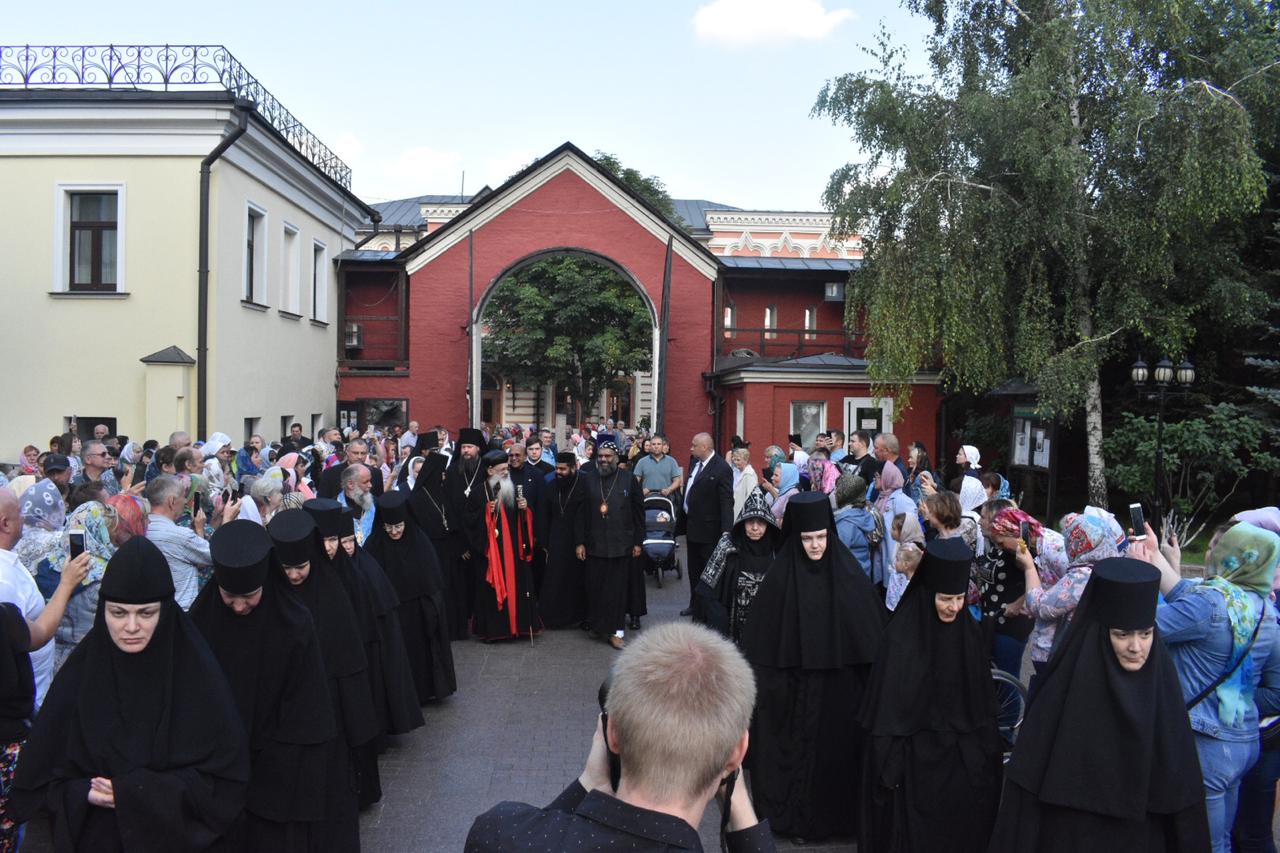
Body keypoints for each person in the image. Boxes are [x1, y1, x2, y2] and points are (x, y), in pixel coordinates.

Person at [11, 537, 249, 851]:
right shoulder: (81, 677)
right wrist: (82, 792)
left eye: (146, 613)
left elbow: (224, 783)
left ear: (165, 613)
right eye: (119, 613)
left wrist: (136, 793)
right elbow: (42, 778)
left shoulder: (198, 678)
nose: (131, 626)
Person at [465, 622, 774, 853]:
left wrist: (590, 782)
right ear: (737, 753)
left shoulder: (499, 832)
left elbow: (541, 833)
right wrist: (737, 798)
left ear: (611, 733)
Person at [988, 557, 1211, 853]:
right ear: (1100, 634)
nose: (1136, 647)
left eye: (1146, 634)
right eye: (1122, 634)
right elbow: (1024, 805)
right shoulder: (1061, 696)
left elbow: (1183, 804)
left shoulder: (1163, 691)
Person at [739, 492, 885, 843]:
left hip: (839, 699)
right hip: (792, 696)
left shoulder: (850, 578)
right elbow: (760, 652)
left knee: (836, 760)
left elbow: (871, 643)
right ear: (796, 538)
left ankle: (839, 822)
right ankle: (793, 822)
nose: (816, 546)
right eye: (807, 539)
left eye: (821, 537)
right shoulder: (777, 582)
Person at [189, 520, 338, 852]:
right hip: (217, 768)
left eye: (250, 596)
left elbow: (306, 711)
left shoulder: (294, 625)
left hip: (278, 768)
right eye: (229, 596)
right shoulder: (200, 623)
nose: (239, 606)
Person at [1132, 521, 1280, 853]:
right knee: (1222, 836)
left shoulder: (1210, 604)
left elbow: (1139, 629)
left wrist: (1138, 577)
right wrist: (1155, 554)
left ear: (1231, 556)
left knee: (1204, 842)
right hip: (1242, 741)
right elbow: (1186, 593)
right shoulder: (1263, 611)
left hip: (1205, 742)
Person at [859, 537, 1003, 853]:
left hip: (957, 763)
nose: (953, 607)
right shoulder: (900, 637)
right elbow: (888, 711)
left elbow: (980, 707)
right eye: (945, 599)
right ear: (928, 594)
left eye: (960, 598)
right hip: (913, 767)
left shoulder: (967, 633)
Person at [267, 509, 379, 847]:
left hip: (328, 713)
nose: (296, 575)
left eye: (301, 566)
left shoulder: (332, 591)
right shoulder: (270, 597)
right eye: (287, 569)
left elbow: (350, 662)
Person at [363, 492, 456, 703]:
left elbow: (432, 581)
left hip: (417, 611)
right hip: (391, 612)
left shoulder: (419, 541)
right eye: (389, 527)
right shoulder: (374, 544)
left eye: (398, 526)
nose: (394, 531)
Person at [1006, 508, 1116, 683]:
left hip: (1063, 658)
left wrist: (1028, 567)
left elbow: (1039, 606)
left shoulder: (1082, 576)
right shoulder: (1112, 570)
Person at [577, 439, 644, 648]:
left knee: (616, 590)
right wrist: (579, 542)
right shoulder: (588, 479)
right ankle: (599, 626)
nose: (604, 460)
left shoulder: (628, 479)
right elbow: (581, 514)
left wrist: (638, 542)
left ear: (616, 458)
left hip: (621, 544)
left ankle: (616, 632)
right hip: (595, 543)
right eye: (600, 456)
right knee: (596, 588)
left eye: (607, 456)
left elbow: (638, 513)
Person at [695, 488, 780, 643]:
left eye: (761, 523)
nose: (755, 528)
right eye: (750, 522)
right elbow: (707, 592)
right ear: (742, 522)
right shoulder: (727, 547)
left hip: (768, 631)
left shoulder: (777, 551)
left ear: (768, 524)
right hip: (731, 634)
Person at [472, 450, 539, 642]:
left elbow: (522, 520)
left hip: (514, 551)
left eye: (507, 469)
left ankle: (518, 628)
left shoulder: (513, 488)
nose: (505, 473)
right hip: (493, 553)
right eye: (501, 470)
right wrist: (486, 513)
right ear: (490, 470)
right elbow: (469, 522)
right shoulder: (479, 493)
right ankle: (497, 630)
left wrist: (525, 510)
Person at [146, 475, 238, 610]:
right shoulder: (180, 536)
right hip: (182, 612)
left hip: (154, 610)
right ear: (172, 501)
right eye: (183, 496)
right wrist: (227, 520)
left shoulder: (141, 529)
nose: (185, 501)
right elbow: (218, 555)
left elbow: (200, 561)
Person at [682, 433, 733, 619]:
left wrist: (727, 531)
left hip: (710, 532)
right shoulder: (695, 463)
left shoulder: (722, 468)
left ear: (704, 447)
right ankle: (694, 605)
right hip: (692, 528)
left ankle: (707, 611)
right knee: (693, 571)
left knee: (708, 573)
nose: (691, 448)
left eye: (694, 445)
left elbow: (727, 501)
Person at [537, 452, 587, 629]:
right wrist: (544, 542)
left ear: (573, 468)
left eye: (563, 469)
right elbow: (544, 515)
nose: (558, 472)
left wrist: (582, 541)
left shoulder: (583, 485)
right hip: (556, 537)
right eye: (557, 468)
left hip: (577, 538)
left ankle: (576, 617)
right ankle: (553, 618)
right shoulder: (551, 486)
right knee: (555, 578)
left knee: (576, 578)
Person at [833, 474, 881, 578]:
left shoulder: (846, 524)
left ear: (846, 493)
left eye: (838, 489)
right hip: (863, 571)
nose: (835, 492)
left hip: (850, 577)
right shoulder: (862, 513)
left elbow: (836, 555)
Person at [319, 439, 385, 500]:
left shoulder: (376, 473)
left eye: (363, 453)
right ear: (347, 452)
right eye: (355, 453)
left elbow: (379, 501)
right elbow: (323, 501)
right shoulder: (330, 473)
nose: (359, 457)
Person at [633, 434, 682, 500]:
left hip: (667, 499)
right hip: (647, 499)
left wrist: (669, 489)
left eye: (659, 444)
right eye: (653, 444)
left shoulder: (671, 461)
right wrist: (640, 491)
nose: (656, 446)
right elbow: (635, 481)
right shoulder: (642, 461)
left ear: (662, 446)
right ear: (650, 446)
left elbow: (677, 481)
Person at [729, 447, 758, 521]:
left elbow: (751, 497)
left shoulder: (749, 475)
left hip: (743, 513)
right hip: (734, 509)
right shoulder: (735, 472)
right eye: (734, 459)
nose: (735, 462)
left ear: (746, 460)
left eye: (738, 460)